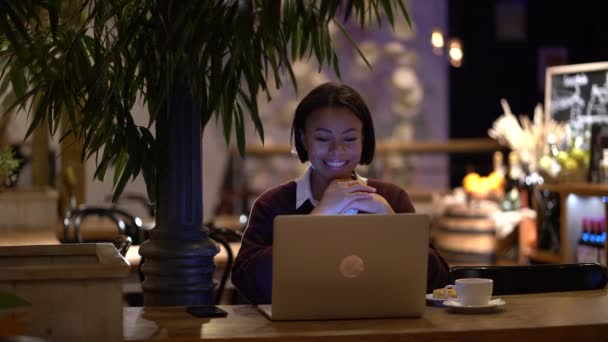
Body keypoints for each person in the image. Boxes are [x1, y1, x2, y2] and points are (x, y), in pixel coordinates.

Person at [231, 82, 450, 304]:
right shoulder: (273, 204)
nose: (337, 150)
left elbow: (438, 281)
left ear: (364, 139)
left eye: (350, 138)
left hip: (379, 326)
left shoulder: (392, 198)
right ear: (303, 138)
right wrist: (320, 216)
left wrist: (391, 223)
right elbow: (248, 284)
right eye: (323, 138)